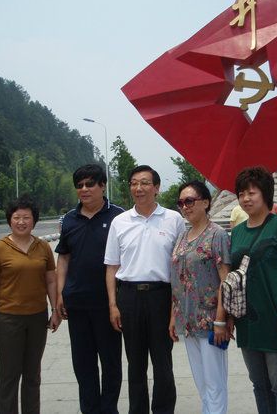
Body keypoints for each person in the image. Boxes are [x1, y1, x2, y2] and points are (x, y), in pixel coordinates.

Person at [105, 164, 185, 414]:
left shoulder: (173, 219)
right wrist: (113, 305)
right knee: (135, 363)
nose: (138, 188)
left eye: (144, 183)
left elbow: (181, 267)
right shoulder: (119, 222)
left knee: (163, 362)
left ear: (156, 188)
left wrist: (176, 309)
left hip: (161, 296)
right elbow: (111, 266)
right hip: (129, 297)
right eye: (134, 183)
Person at [230, 167, 277, 414]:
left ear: (266, 194)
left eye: (252, 193)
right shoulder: (237, 232)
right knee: (259, 385)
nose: (246, 198)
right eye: (241, 194)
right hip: (248, 321)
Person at [0, 195, 60, 414]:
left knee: (33, 373)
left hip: (37, 317)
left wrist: (55, 310)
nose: (21, 222)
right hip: (9, 318)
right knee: (9, 373)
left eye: (26, 217)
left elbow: (51, 280)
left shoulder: (43, 247)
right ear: (9, 220)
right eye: (17, 217)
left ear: (34, 220)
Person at [56, 164, 123, 414]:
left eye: (90, 184)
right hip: (77, 303)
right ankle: (90, 409)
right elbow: (64, 258)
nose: (84, 189)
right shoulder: (69, 219)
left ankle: (109, 409)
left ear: (102, 186)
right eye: (80, 185)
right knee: (83, 364)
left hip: (108, 304)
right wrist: (60, 294)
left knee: (111, 362)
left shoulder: (119, 217)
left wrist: (117, 301)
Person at [169, 180, 231, 414]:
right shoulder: (182, 237)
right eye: (181, 203)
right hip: (187, 320)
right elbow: (176, 281)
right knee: (201, 382)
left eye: (190, 201)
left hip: (211, 321)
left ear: (205, 202)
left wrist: (221, 320)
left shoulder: (217, 235)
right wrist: (173, 317)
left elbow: (225, 281)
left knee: (215, 382)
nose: (185, 207)